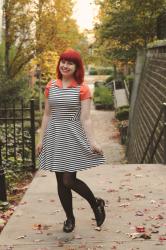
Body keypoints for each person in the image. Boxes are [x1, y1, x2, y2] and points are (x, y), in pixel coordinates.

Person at [36, 48, 106, 233]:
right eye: (63, 62)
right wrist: (41, 139)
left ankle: (96, 204)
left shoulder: (82, 89)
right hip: (54, 135)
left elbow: (86, 118)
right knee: (60, 181)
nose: (65, 65)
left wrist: (92, 142)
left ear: (77, 67)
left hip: (72, 136)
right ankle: (69, 218)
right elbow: (47, 114)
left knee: (68, 180)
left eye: (70, 63)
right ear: (59, 64)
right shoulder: (51, 86)